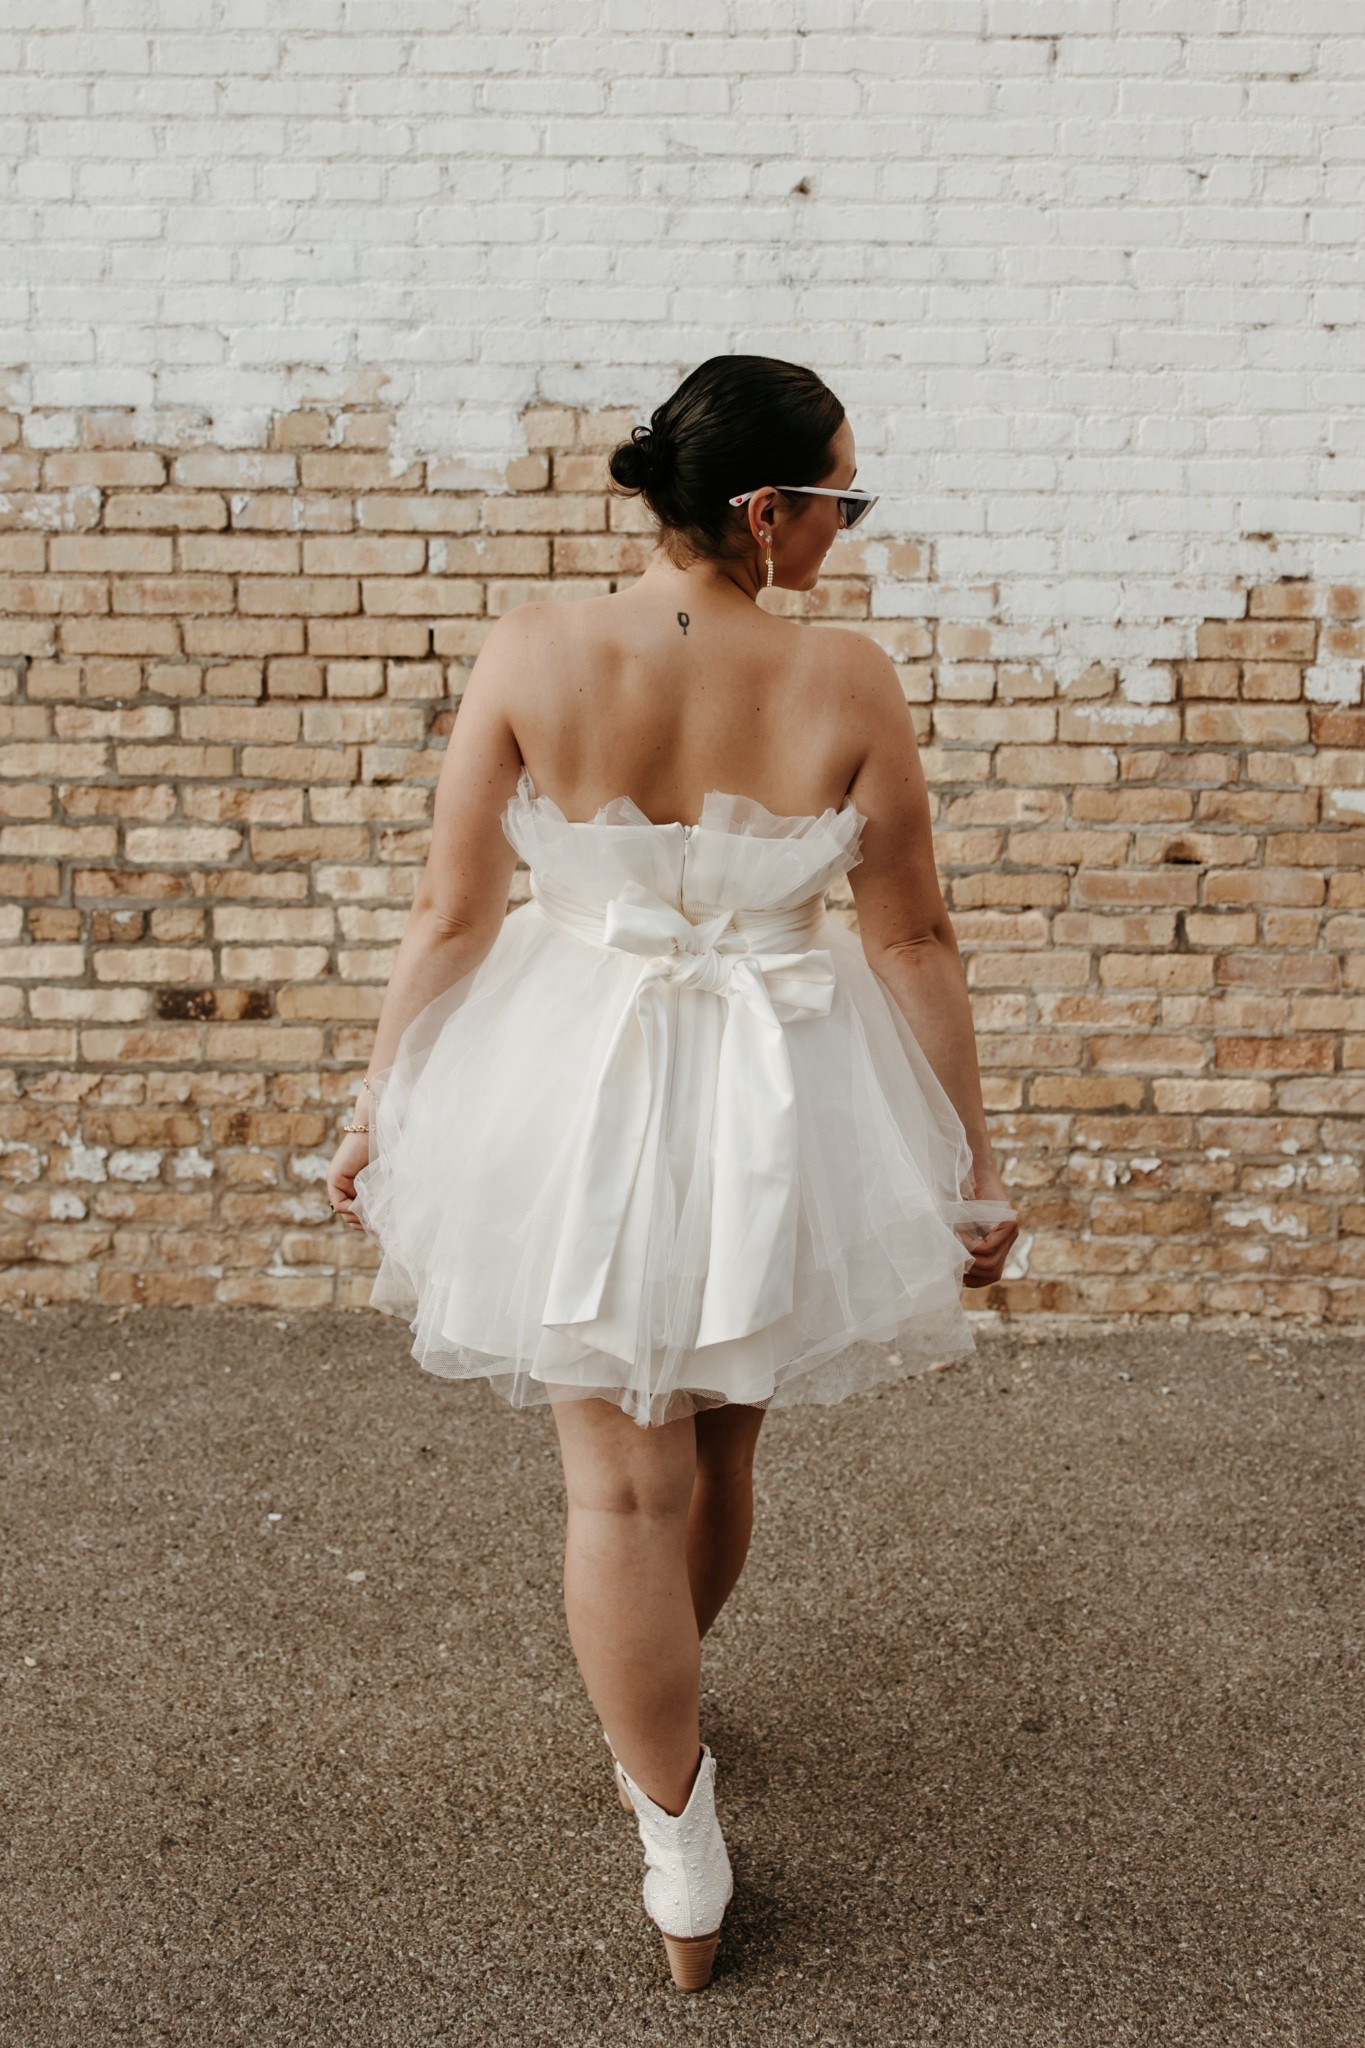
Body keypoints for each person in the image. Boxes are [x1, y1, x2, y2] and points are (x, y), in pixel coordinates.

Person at [325, 354, 1019, 1991]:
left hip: (568, 1076)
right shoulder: (845, 681)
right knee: (716, 1450)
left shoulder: (533, 650)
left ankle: (674, 1830)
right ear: (765, 511)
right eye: (840, 502)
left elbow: (451, 915)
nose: (844, 533)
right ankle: (666, 1730)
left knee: (615, 1486)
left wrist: (378, 1106)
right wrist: (969, 1162)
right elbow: (910, 934)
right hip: (782, 1098)